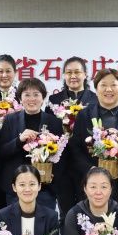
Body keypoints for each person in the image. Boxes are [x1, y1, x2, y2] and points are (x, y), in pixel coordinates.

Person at [69, 68, 118, 216]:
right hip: (92, 187)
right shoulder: (84, 115)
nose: (108, 89)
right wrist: (90, 169)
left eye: (113, 85)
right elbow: (75, 149)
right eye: (103, 85)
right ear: (96, 89)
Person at [0, 78, 64, 212]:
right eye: (27, 95)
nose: (31, 99)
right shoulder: (10, 119)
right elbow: (1, 152)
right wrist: (19, 140)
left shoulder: (54, 122)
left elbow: (62, 155)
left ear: (43, 98)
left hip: (44, 189)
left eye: (36, 94)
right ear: (20, 99)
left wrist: (53, 176)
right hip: (16, 189)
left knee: (44, 224)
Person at [46, 56, 98, 224]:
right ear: (63, 75)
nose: (73, 76)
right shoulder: (54, 101)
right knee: (66, 214)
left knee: (89, 213)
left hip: (87, 163)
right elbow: (48, 131)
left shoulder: (95, 99)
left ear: (85, 74)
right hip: (62, 166)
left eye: (77, 72)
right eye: (68, 72)